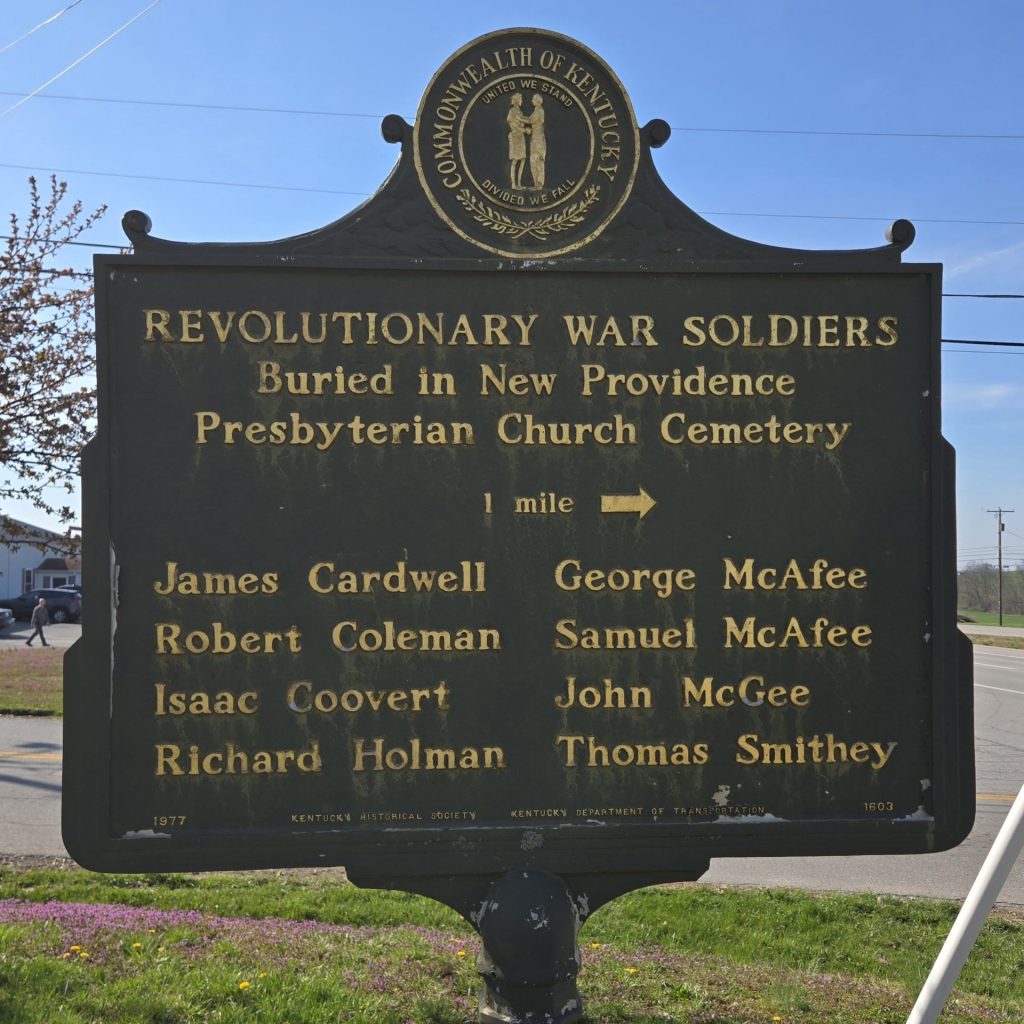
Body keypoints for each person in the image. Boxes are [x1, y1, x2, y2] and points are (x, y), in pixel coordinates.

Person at [507, 93, 528, 189]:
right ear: (516, 100)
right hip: (515, 136)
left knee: (523, 159)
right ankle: (513, 184)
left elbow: (525, 121)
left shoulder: (520, 111)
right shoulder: (512, 111)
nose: (522, 101)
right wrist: (524, 130)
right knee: (515, 160)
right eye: (520, 99)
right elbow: (513, 125)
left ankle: (519, 183)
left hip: (521, 137)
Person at [527, 94, 546, 189]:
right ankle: (536, 184)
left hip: (538, 140)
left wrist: (517, 118)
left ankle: (539, 184)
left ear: (537, 100)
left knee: (537, 161)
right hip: (535, 139)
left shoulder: (539, 111)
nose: (531, 101)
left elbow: (530, 120)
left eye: (533, 99)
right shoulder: (536, 110)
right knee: (533, 161)